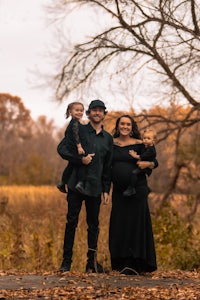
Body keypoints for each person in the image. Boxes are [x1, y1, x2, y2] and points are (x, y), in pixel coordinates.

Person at [59, 99, 113, 273]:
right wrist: (79, 159)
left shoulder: (108, 139)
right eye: (94, 110)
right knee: (71, 223)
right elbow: (62, 149)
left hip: (95, 188)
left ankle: (92, 263)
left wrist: (106, 189)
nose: (97, 113)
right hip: (76, 185)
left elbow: (108, 166)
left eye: (100, 110)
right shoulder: (78, 129)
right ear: (89, 113)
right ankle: (66, 263)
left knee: (94, 225)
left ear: (104, 114)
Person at [109, 115, 158, 275]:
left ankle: (139, 263)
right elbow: (105, 167)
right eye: (122, 123)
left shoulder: (139, 143)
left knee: (136, 225)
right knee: (120, 224)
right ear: (118, 126)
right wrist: (105, 189)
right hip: (118, 192)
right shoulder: (111, 143)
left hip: (138, 190)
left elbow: (153, 159)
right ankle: (120, 263)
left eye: (128, 124)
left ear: (132, 127)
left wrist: (149, 164)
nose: (125, 126)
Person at [57, 102, 87, 194]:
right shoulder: (75, 123)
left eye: (81, 110)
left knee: (71, 165)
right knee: (83, 162)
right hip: (72, 147)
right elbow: (75, 135)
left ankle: (62, 183)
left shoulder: (73, 122)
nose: (79, 112)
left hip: (70, 146)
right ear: (70, 112)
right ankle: (80, 183)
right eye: (77, 110)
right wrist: (79, 146)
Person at [123, 128, 157, 196]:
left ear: (153, 140)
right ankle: (147, 189)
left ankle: (131, 189)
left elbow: (142, 157)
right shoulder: (145, 147)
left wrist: (134, 155)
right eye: (144, 138)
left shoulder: (151, 150)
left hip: (145, 167)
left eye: (148, 138)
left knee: (134, 173)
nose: (145, 140)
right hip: (141, 165)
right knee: (137, 175)